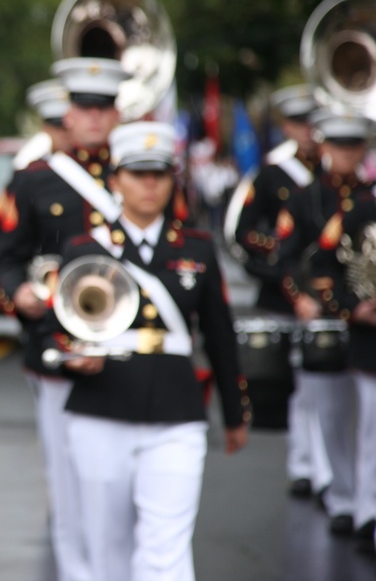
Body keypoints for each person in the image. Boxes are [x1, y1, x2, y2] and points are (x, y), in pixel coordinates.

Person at [42, 120, 250, 581]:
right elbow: (51, 331)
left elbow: (219, 334)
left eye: (159, 173)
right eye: (138, 173)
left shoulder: (197, 248)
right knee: (106, 550)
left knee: (166, 553)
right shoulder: (83, 248)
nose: (149, 184)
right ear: (116, 180)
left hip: (176, 413)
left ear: (172, 180)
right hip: (99, 407)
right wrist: (71, 358)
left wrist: (234, 413)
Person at [0, 57, 131, 581]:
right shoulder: (33, 181)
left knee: (127, 483)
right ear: (67, 113)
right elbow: (0, 255)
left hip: (130, 348)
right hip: (58, 347)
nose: (94, 118)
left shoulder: (143, 172)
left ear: (118, 113)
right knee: (71, 482)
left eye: (105, 107)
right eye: (84, 107)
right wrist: (17, 293)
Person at [274, 109, 375, 536]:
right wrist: (303, 301)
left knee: (370, 421)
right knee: (330, 413)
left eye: (355, 145)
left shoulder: (370, 200)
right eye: (339, 145)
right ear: (326, 147)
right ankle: (342, 497)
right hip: (328, 320)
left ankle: (367, 507)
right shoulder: (304, 198)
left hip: (366, 326)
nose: (347, 153)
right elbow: (286, 257)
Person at [231, 84, 331, 498]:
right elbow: (244, 231)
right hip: (284, 292)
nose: (308, 131)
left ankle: (322, 467)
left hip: (328, 291)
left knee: (321, 382)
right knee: (296, 382)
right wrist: (280, 250)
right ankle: (302, 463)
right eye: (299, 123)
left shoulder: (335, 172)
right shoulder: (272, 174)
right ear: (287, 127)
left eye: (313, 122)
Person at [12, 78, 71, 170]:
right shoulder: (33, 168)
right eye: (58, 127)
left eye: (69, 127)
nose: (65, 134)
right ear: (46, 129)